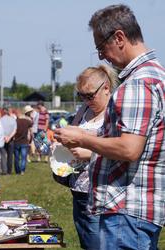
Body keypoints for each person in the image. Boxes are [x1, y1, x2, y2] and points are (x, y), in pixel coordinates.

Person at [54, 4, 165, 249]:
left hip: (125, 213)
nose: (101, 56)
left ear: (119, 37)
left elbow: (129, 149)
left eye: (101, 47)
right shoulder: (155, 76)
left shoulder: (138, 83)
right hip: (133, 211)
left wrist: (82, 138)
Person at [53, 65, 118, 250]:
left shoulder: (114, 112)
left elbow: (122, 149)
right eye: (81, 95)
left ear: (106, 88)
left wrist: (89, 153)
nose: (86, 100)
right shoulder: (84, 110)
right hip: (79, 190)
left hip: (102, 192)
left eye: (90, 95)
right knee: (87, 243)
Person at [13, 108, 33, 175]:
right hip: (24, 142)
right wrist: (30, 140)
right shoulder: (27, 122)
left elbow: (13, 131)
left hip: (16, 141)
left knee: (16, 158)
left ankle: (17, 171)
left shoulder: (15, 121)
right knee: (24, 158)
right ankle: (22, 171)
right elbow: (31, 132)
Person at [0, 107, 17, 175]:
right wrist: (9, 137)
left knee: (3, 155)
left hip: (3, 139)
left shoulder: (1, 120)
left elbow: (0, 129)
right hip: (11, 139)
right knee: (10, 156)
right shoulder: (13, 120)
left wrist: (5, 137)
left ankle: (4, 170)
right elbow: (15, 130)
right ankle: (9, 171)